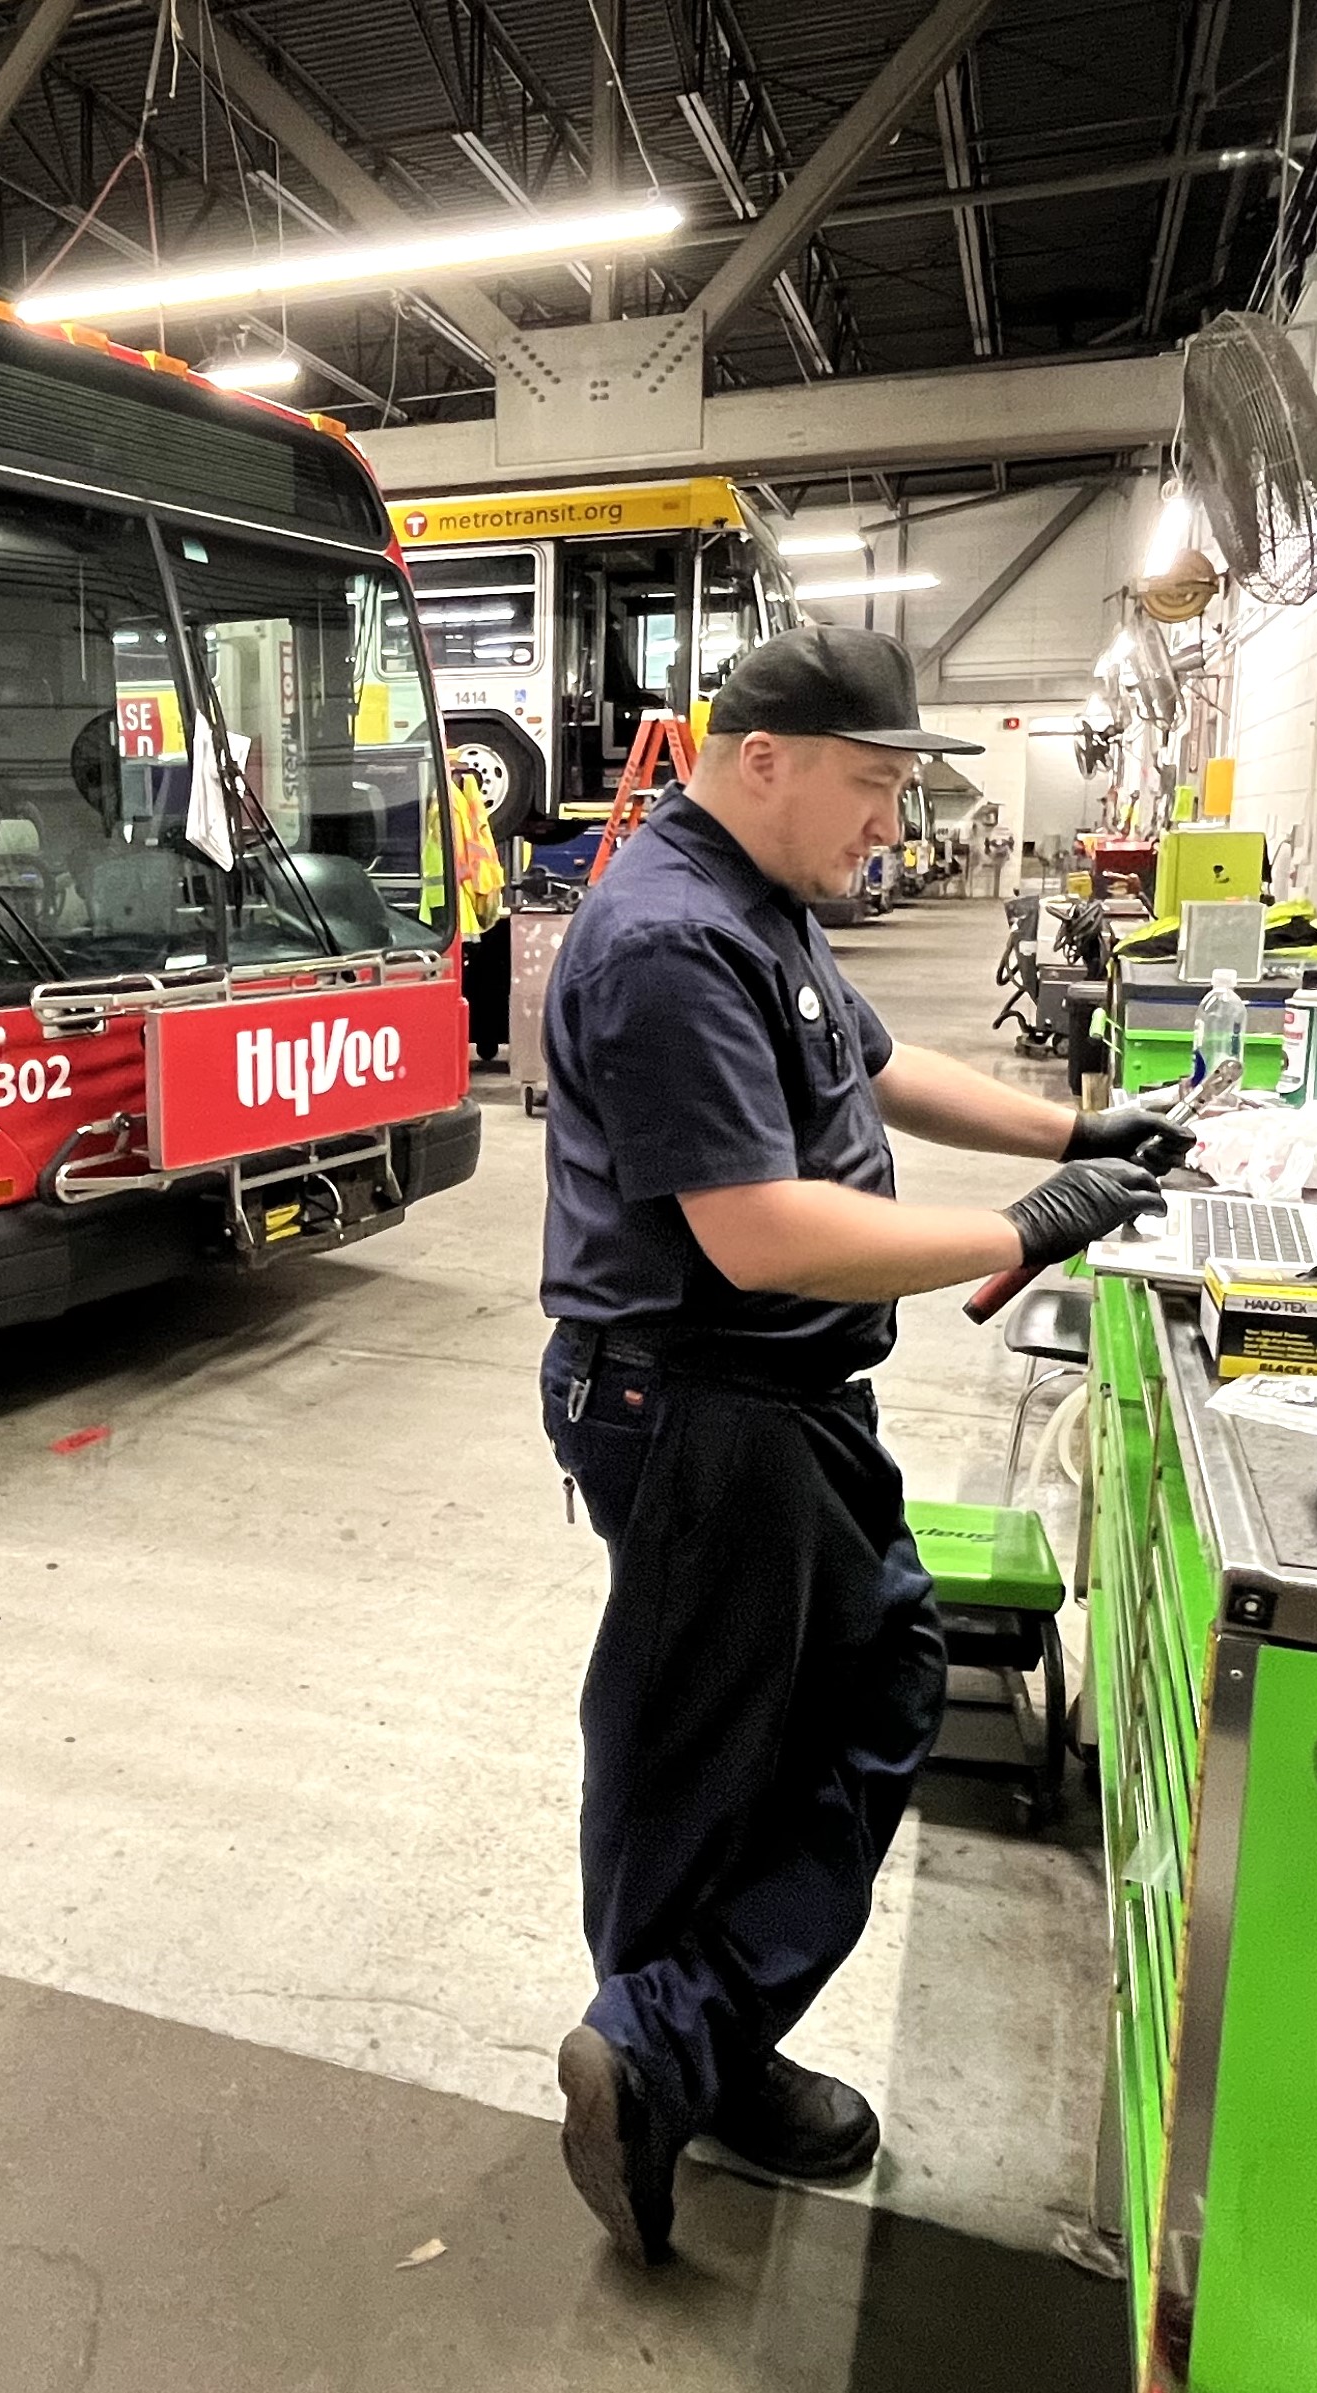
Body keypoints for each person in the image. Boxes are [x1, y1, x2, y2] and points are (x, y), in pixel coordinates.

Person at [537, 623, 1195, 2264]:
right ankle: (672, 2049)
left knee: (856, 1694)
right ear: (765, 757)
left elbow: (874, 1071)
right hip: (702, 1401)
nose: (888, 825)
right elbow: (759, 1231)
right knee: (702, 1756)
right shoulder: (665, 945)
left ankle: (685, 2036)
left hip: (779, 1402)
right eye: (871, 785)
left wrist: (1076, 1124)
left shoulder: (761, 905)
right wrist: (1027, 1224)